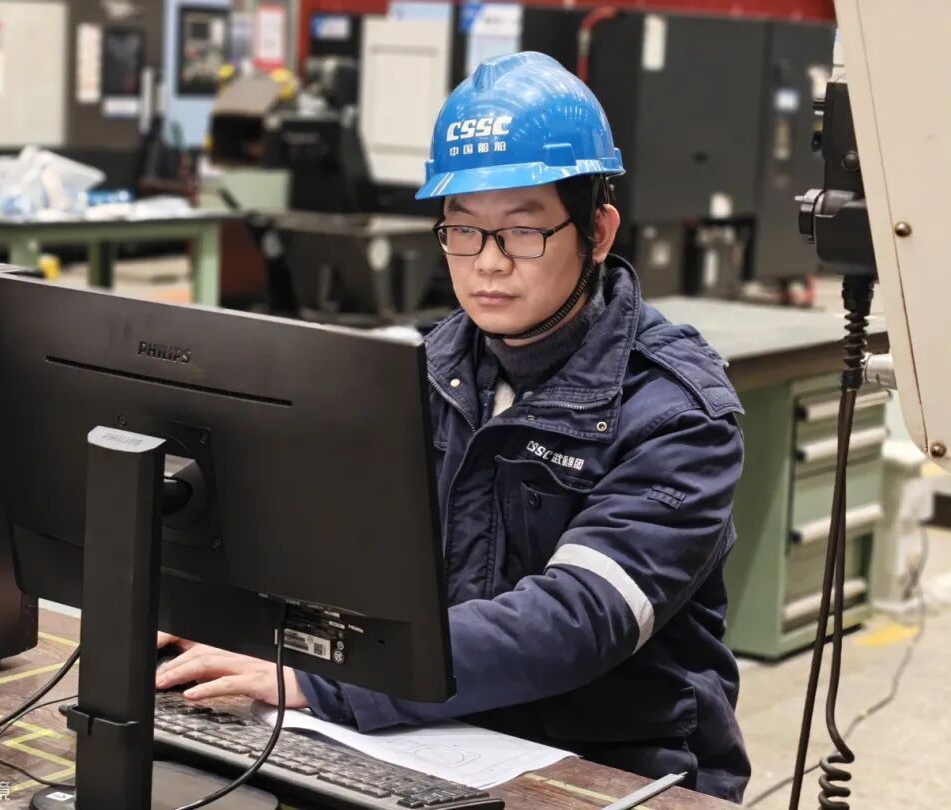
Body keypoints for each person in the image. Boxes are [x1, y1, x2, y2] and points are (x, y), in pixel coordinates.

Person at [155, 51, 751, 802]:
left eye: (523, 232)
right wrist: (234, 621)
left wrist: (328, 681)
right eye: (463, 230)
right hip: (435, 735)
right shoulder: (421, 372)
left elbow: (580, 618)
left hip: (614, 765)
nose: (487, 265)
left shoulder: (678, 414)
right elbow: (334, 550)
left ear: (598, 232)